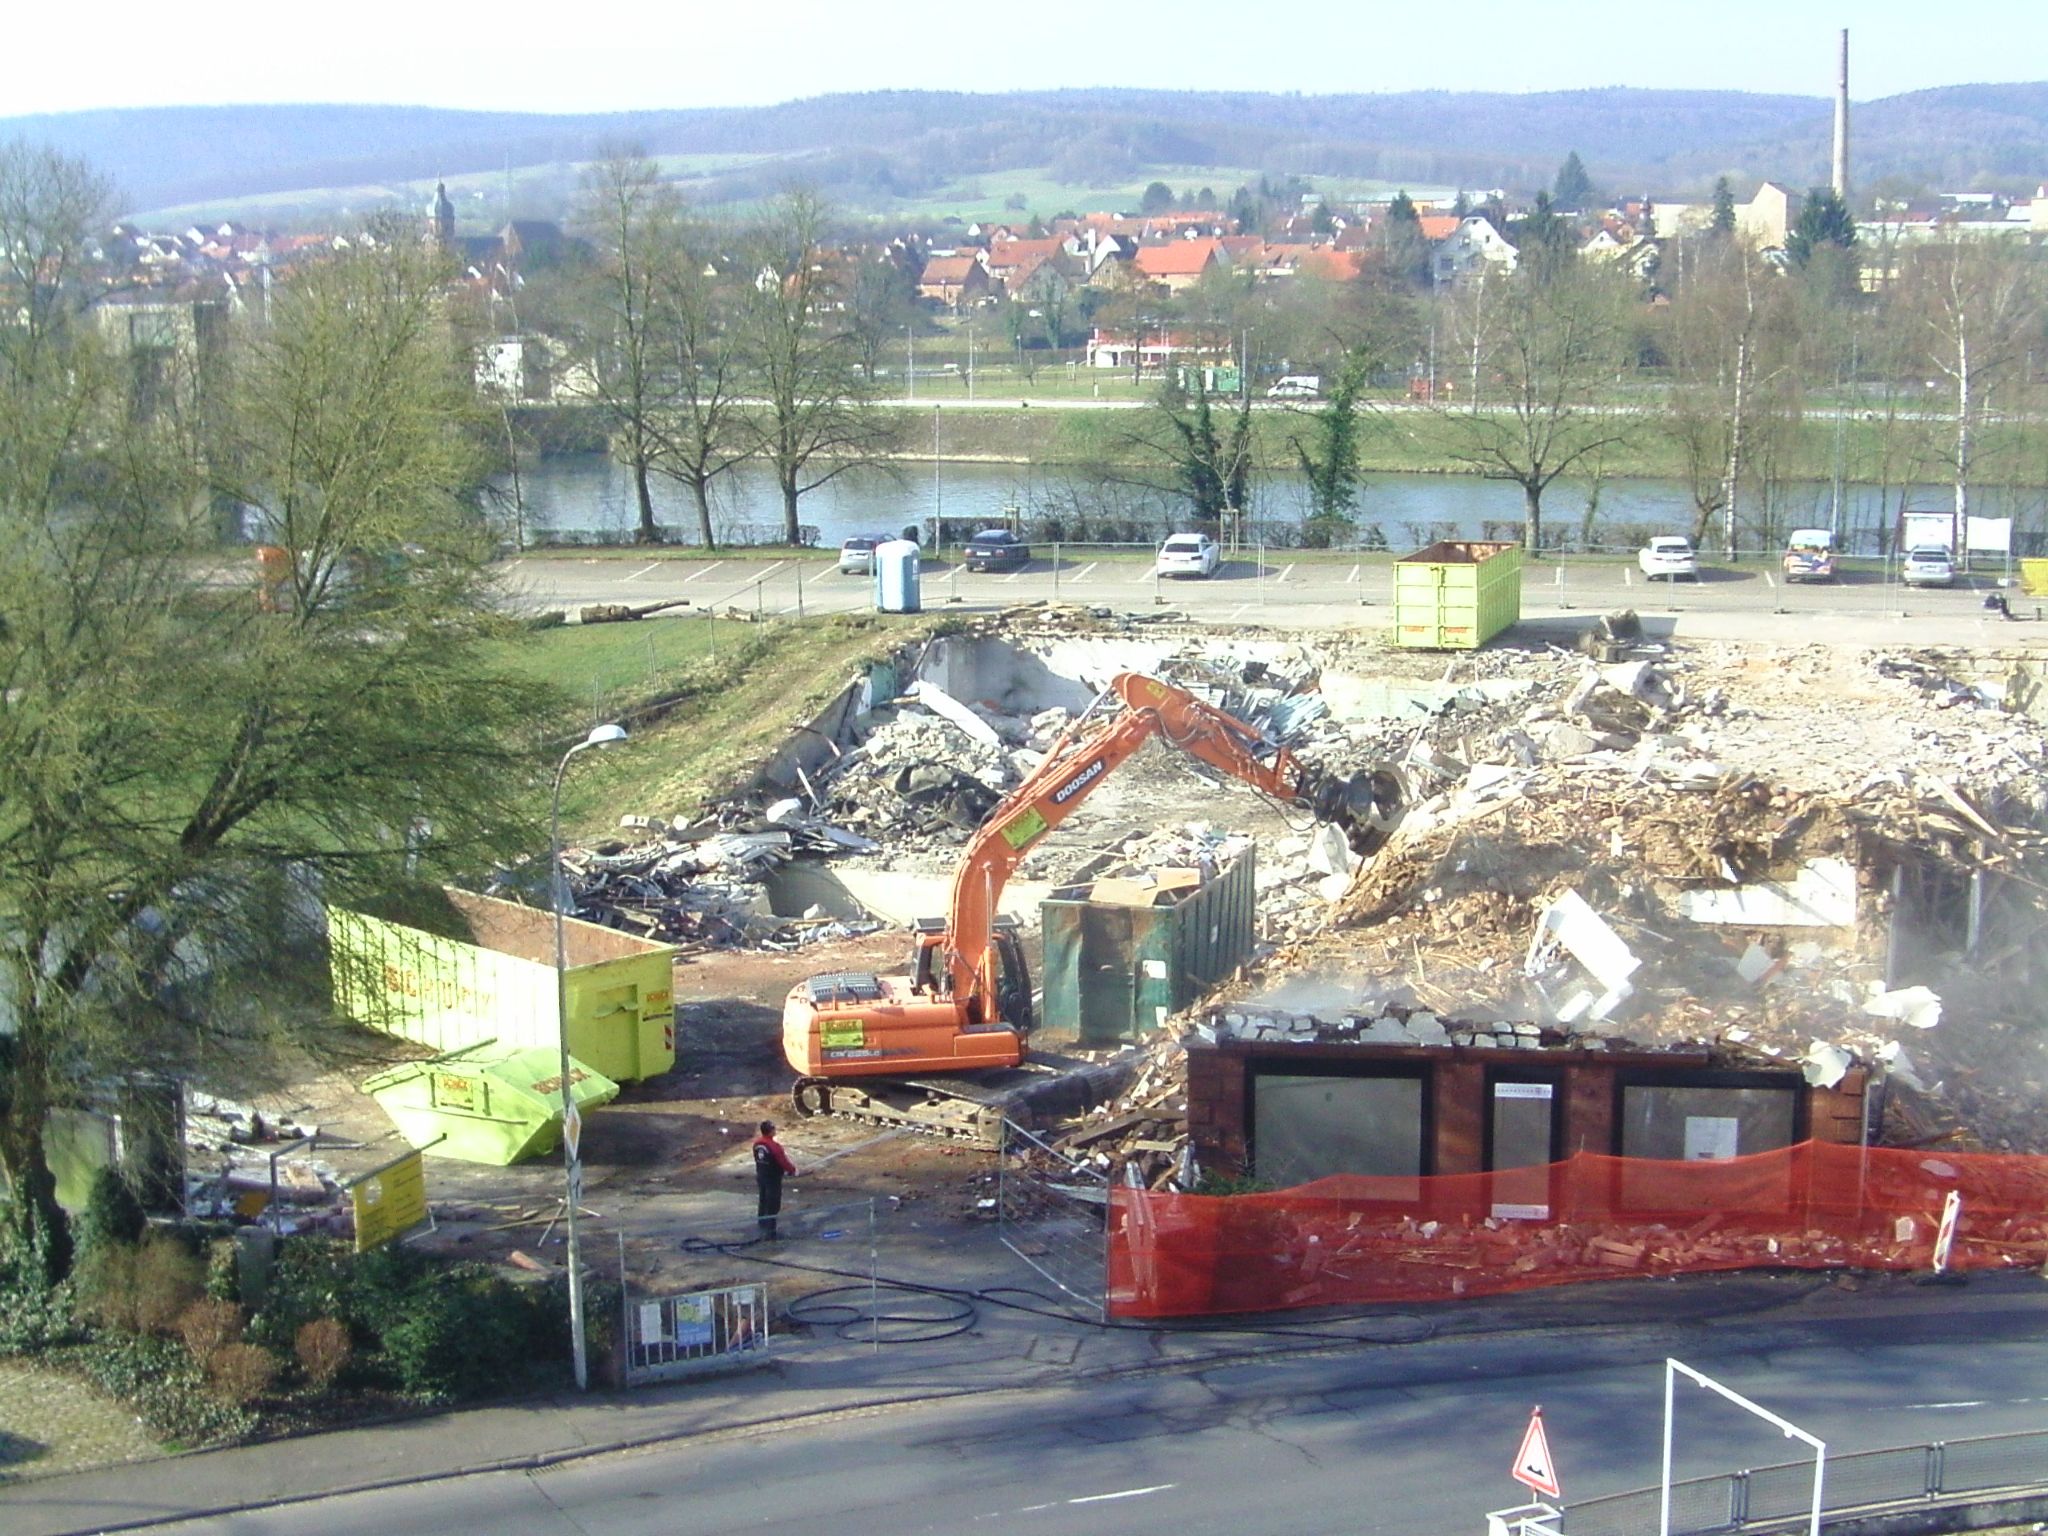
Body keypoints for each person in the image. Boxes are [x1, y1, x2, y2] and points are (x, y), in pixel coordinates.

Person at [751, 1120, 799, 1240]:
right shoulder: (774, 1146)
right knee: (773, 1204)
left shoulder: (757, 1144)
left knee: (763, 1201)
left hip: (761, 1176)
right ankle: (771, 1232)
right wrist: (793, 1170)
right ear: (771, 1131)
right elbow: (783, 1161)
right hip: (773, 1178)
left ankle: (762, 1226)